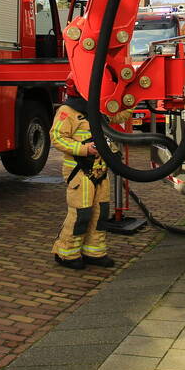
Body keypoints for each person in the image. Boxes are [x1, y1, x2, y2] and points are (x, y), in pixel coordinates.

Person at [50, 76, 130, 270]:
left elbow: (117, 116)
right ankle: (66, 253)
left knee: (100, 212)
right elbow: (57, 138)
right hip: (79, 171)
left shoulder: (99, 108)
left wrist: (130, 101)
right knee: (81, 213)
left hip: (100, 170)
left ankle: (94, 252)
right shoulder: (67, 111)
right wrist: (84, 149)